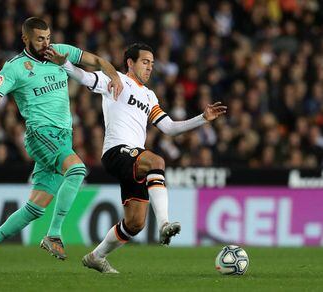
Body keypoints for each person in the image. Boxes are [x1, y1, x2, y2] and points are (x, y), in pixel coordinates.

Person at [54, 43, 226, 273]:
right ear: (130, 63)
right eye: (145, 62)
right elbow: (84, 77)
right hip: (116, 151)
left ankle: (96, 256)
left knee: (135, 223)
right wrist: (64, 63)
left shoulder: (149, 95)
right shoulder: (115, 80)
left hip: (134, 159)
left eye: (152, 64)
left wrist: (202, 118)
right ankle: (164, 223)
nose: (149, 68)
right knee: (157, 162)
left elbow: (170, 127)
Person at [0, 17, 123, 274]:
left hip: (63, 136)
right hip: (40, 134)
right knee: (76, 170)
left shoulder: (60, 52)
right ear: (25, 39)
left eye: (48, 38)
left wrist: (114, 76)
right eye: (40, 39)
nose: (46, 43)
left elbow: (96, 61)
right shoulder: (15, 68)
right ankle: (53, 234)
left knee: (35, 208)